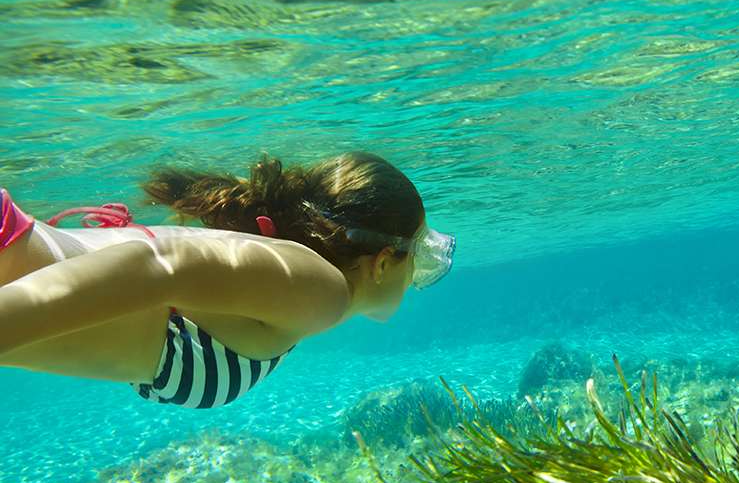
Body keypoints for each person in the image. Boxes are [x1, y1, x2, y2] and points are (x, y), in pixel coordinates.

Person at [0, 152, 454, 409]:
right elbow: (162, 265)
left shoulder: (298, 290)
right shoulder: (323, 292)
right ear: (381, 261)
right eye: (420, 256)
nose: (418, 277)